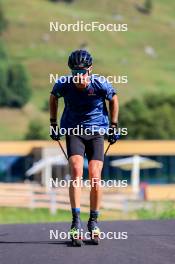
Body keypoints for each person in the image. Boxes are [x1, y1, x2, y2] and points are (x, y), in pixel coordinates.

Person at [49, 49, 119, 245]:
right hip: (74, 130)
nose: (78, 76)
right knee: (77, 170)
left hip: (96, 132)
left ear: (90, 69)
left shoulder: (99, 83)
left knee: (95, 176)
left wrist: (114, 126)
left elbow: (113, 98)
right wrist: (53, 123)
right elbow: (53, 97)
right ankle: (75, 222)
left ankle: (94, 221)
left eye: (82, 72)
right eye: (75, 72)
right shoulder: (64, 84)